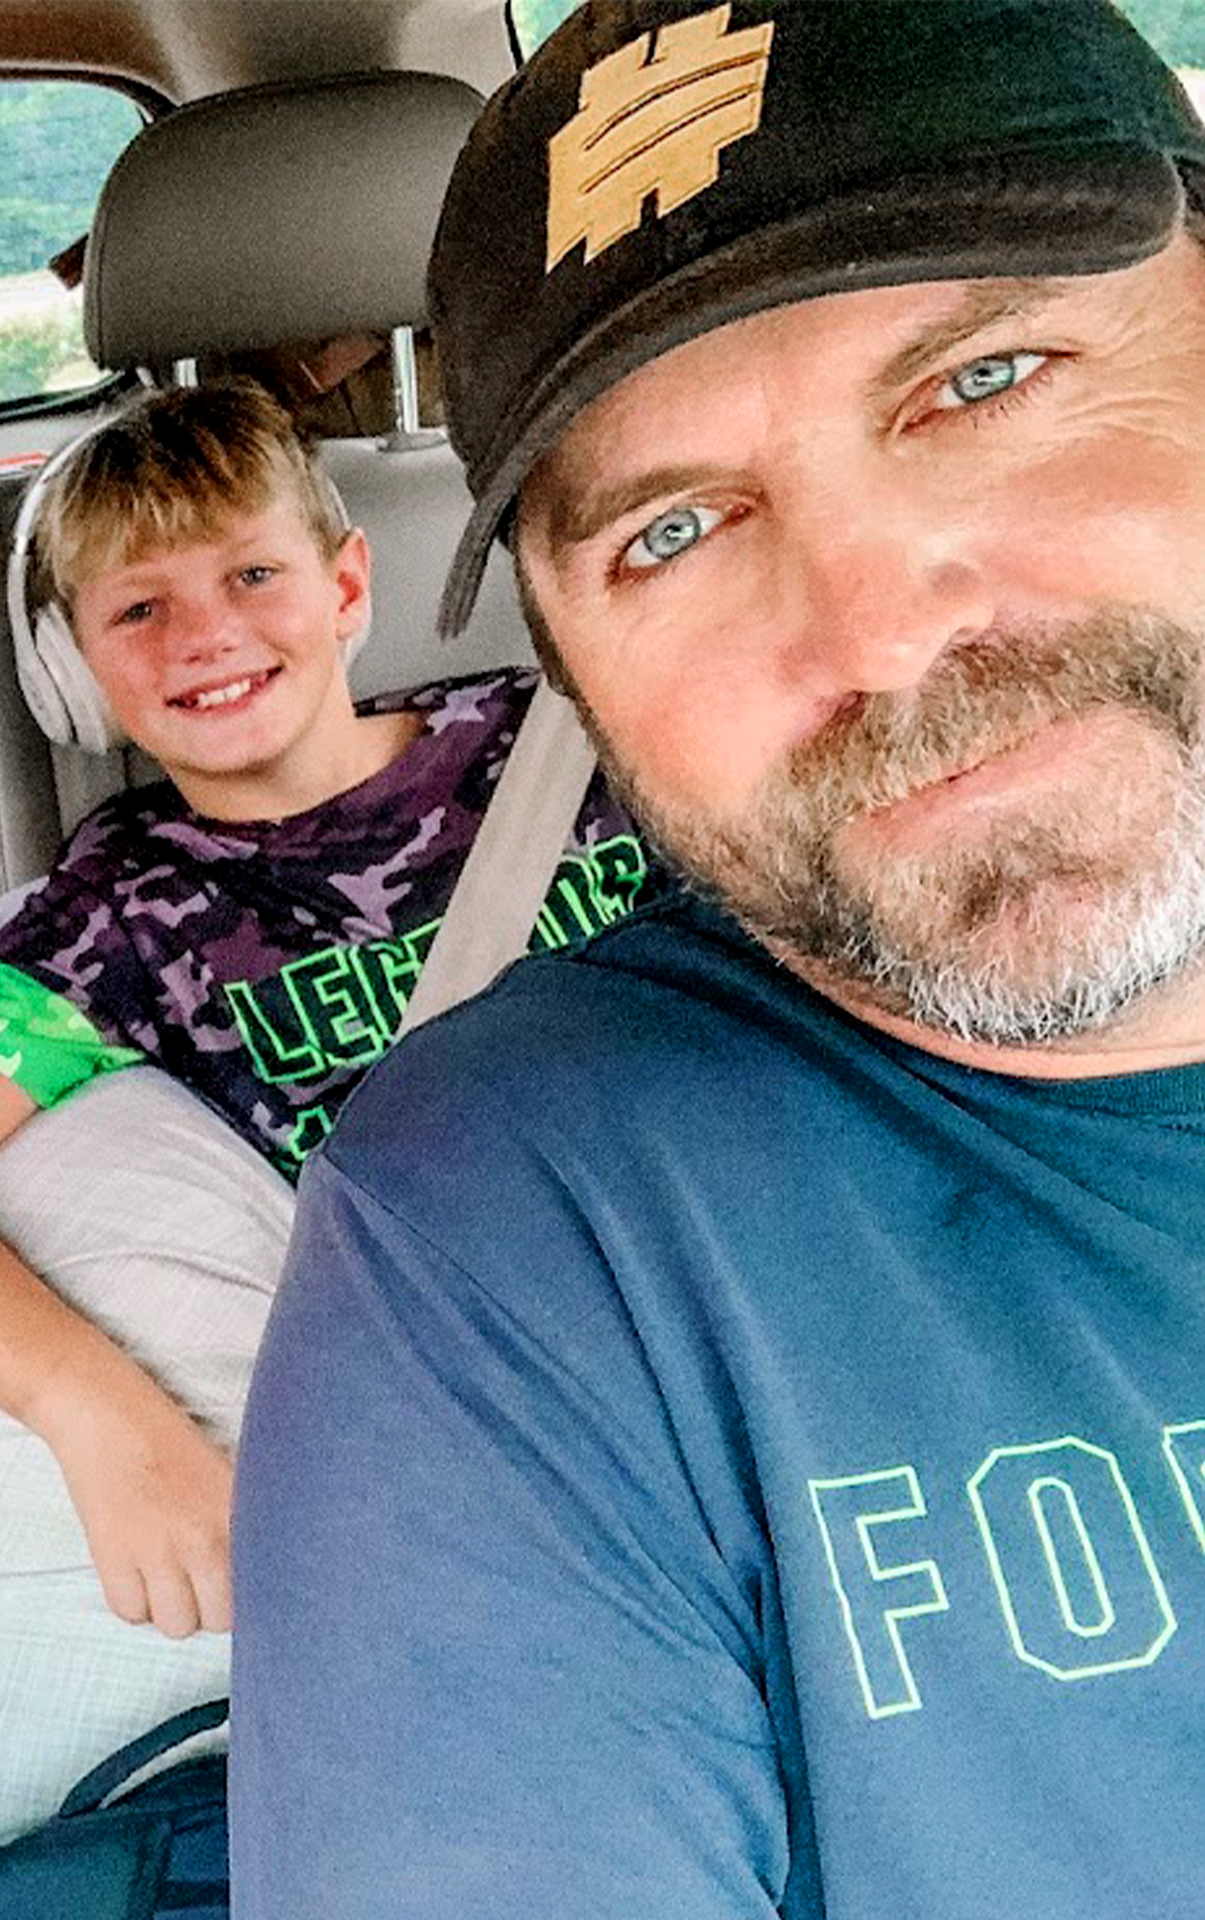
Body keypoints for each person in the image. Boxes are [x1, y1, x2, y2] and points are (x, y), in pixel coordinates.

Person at [230, 4, 1205, 1917]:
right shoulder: (525, 1227)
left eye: (985, 378)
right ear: (572, 676)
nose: (883, 631)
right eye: (675, 528)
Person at [0, 379, 652, 1642]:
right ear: (77, 671)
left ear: (347, 589)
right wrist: (102, 1418)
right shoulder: (119, 915)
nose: (205, 636)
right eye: (140, 608)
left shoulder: (575, 733)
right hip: (511, 1390)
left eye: (251, 577)